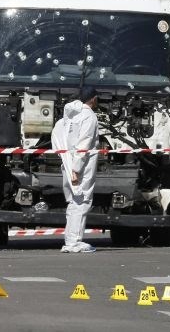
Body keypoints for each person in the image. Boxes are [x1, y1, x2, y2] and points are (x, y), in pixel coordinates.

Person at [51, 87, 99, 253]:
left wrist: (68, 162)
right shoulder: (89, 117)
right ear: (92, 99)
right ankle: (74, 242)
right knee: (82, 201)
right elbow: (84, 143)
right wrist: (77, 169)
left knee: (73, 202)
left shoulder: (68, 117)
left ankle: (71, 240)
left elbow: (56, 137)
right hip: (82, 166)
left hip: (67, 162)